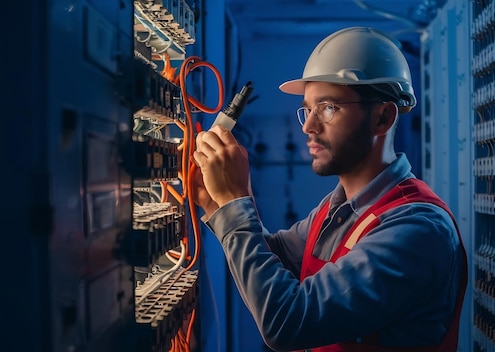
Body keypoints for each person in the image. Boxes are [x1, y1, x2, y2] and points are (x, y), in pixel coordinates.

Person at [193, 26, 468, 352]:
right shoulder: (338, 207)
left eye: (328, 108)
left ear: (382, 117)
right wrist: (219, 204)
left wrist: (235, 204)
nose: (308, 126)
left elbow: (287, 322)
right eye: (308, 109)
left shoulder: (417, 229)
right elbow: (274, 258)